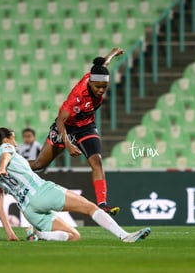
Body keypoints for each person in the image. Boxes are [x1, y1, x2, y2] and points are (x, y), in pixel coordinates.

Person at [0, 126, 151, 242]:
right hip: (41, 192)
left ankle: (39, 234)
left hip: (27, 209)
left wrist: (10, 233)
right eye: (14, 140)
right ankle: (124, 236)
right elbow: (6, 156)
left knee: (73, 236)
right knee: (90, 207)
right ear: (7, 139)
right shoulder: (6, 148)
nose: (16, 144)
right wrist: (2, 167)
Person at [29, 48, 124, 215]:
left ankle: (102, 204)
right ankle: (10, 165)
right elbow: (60, 121)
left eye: (104, 87)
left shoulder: (97, 75)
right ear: (90, 82)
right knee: (38, 165)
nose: (101, 90)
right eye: (98, 87)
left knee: (97, 162)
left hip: (86, 125)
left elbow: (102, 63)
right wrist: (68, 143)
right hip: (66, 128)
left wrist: (113, 54)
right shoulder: (78, 96)